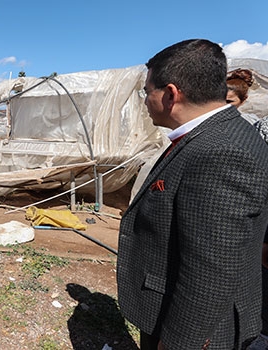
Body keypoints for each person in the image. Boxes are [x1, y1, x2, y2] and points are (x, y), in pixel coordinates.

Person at [117, 39, 268, 349]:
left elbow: (211, 269)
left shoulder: (220, 151)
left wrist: (179, 342)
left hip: (198, 330)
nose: (145, 101)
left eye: (148, 92)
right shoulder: (220, 135)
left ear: (171, 94)